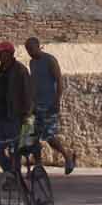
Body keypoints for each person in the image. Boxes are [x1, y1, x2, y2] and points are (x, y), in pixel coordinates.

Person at [23, 35, 76, 174]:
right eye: (27, 49)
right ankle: (38, 165)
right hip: (36, 105)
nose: (29, 52)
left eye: (31, 48)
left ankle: (67, 156)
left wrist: (57, 101)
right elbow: (34, 83)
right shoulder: (32, 63)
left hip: (49, 104)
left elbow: (59, 81)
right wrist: (31, 104)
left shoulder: (50, 60)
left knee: (49, 136)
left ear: (38, 46)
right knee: (30, 135)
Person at [0, 41, 33, 173]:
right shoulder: (1, 69)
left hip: (14, 116)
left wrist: (27, 115)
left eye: (2, 53)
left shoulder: (20, 70)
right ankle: (9, 171)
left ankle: (15, 174)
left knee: (15, 148)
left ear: (10, 54)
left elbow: (28, 93)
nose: (0, 56)